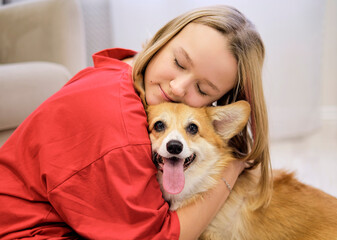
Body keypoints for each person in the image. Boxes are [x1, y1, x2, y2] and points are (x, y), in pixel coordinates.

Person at [0, 5, 271, 239]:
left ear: (217, 103)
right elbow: (162, 237)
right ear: (161, 41)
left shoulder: (122, 72)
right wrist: (231, 171)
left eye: (202, 90)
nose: (177, 88)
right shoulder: (121, 130)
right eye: (178, 62)